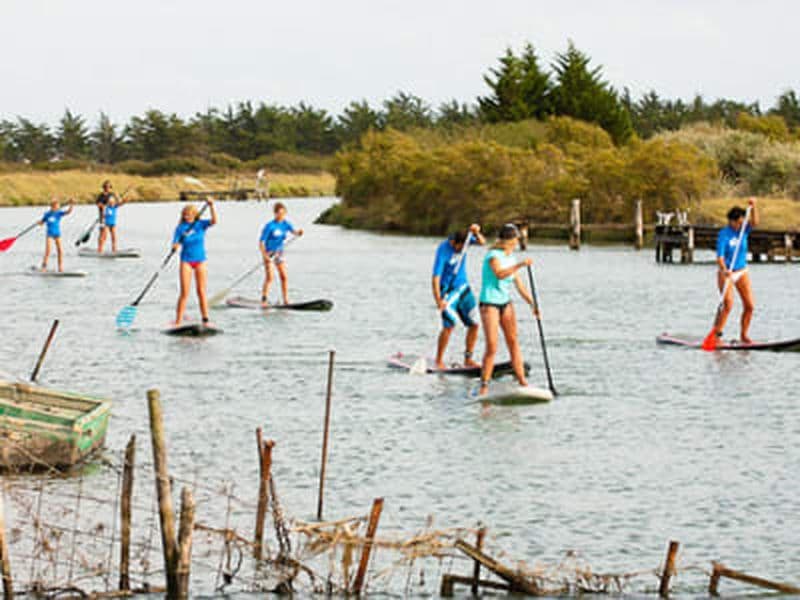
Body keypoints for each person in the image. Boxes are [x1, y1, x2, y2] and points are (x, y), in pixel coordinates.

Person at [478, 224, 537, 396]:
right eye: (516, 238)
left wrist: (532, 304)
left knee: (513, 342)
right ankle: (484, 386)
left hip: (506, 303)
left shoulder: (511, 257)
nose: (518, 241)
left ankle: (522, 382)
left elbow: (519, 285)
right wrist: (520, 265)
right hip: (489, 304)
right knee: (492, 346)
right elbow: (500, 274)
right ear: (509, 240)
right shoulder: (492, 256)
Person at [431, 224, 485, 369]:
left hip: (463, 288)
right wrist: (438, 300)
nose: (461, 250)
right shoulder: (443, 250)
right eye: (459, 248)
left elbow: (482, 242)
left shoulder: (466, 241)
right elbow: (435, 277)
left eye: (463, 248)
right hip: (447, 291)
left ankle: (468, 359)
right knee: (449, 326)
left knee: (474, 324)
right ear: (454, 242)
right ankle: (439, 360)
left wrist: (477, 233)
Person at [713, 198, 759, 344]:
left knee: (750, 306)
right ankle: (716, 335)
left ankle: (744, 335)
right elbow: (719, 257)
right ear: (731, 221)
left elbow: (755, 222)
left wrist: (754, 206)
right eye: (738, 222)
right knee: (728, 304)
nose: (740, 225)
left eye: (742, 222)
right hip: (726, 273)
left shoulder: (744, 230)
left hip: (741, 271)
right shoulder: (724, 234)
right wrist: (725, 270)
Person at [172, 201, 218, 325]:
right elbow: (175, 242)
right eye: (185, 214)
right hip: (186, 261)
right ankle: (178, 321)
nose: (187, 216)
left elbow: (214, 221)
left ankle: (205, 319)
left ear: (194, 215)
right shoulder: (180, 228)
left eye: (189, 214)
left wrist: (211, 206)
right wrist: (175, 246)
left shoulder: (200, 225)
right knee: (184, 292)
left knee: (201, 291)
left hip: (200, 260)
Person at [259, 202, 304, 306]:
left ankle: (285, 299)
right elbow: (261, 242)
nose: (281, 215)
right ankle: (264, 299)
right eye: (279, 213)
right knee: (270, 277)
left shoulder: (286, 224)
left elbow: (294, 232)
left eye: (283, 213)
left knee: (284, 276)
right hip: (268, 253)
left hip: (279, 253)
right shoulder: (269, 226)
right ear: (275, 214)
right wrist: (265, 255)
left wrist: (299, 233)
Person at [38, 198, 74, 272]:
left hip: (57, 233)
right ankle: (43, 267)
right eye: (56, 206)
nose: (57, 207)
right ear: (52, 206)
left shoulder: (59, 213)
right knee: (48, 251)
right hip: (49, 234)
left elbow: (68, 212)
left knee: (60, 251)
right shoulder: (47, 214)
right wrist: (39, 222)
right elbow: (42, 222)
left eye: (58, 206)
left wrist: (71, 205)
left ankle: (60, 268)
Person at [96, 180, 117, 252]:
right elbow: (98, 205)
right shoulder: (101, 196)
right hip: (103, 218)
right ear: (103, 187)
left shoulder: (112, 194)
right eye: (106, 187)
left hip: (111, 218)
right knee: (103, 235)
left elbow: (115, 204)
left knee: (113, 235)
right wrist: (104, 205)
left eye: (109, 187)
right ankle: (99, 249)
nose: (107, 188)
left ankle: (114, 250)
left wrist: (117, 201)